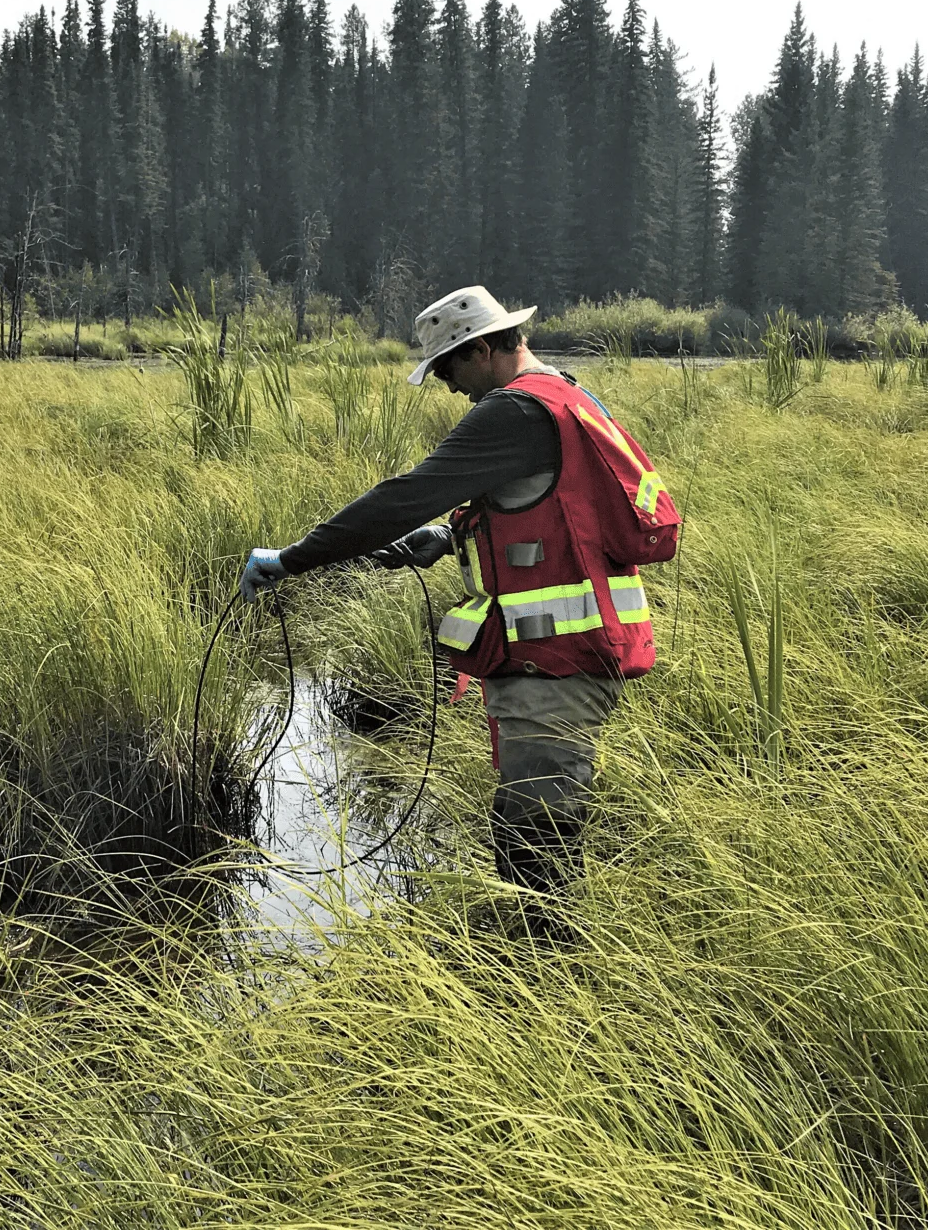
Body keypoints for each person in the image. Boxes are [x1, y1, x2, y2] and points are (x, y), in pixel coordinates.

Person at [239, 285, 678, 892]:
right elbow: (554, 512)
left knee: (536, 840)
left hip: (554, 666)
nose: (447, 385)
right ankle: (546, 964)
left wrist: (292, 560)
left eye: (446, 366)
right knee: (537, 829)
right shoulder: (568, 394)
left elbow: (400, 499)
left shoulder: (512, 411)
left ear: (481, 350)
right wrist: (449, 538)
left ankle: (546, 975)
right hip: (569, 657)